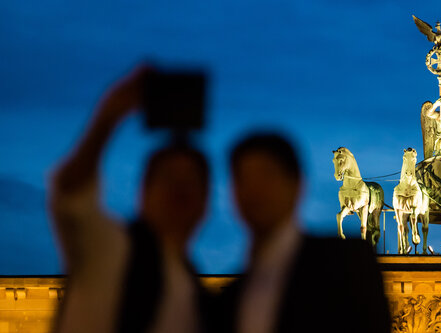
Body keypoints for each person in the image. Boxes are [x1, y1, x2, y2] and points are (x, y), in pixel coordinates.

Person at [49, 67, 211, 333]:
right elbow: (72, 196)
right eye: (169, 177)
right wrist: (108, 117)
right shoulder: (109, 247)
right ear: (143, 192)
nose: (180, 188)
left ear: (206, 200)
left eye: (191, 181)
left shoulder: (194, 291)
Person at [210, 132, 391, 333]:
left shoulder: (348, 263)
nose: (255, 189)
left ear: (297, 184)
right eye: (244, 178)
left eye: (267, 176)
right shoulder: (227, 301)